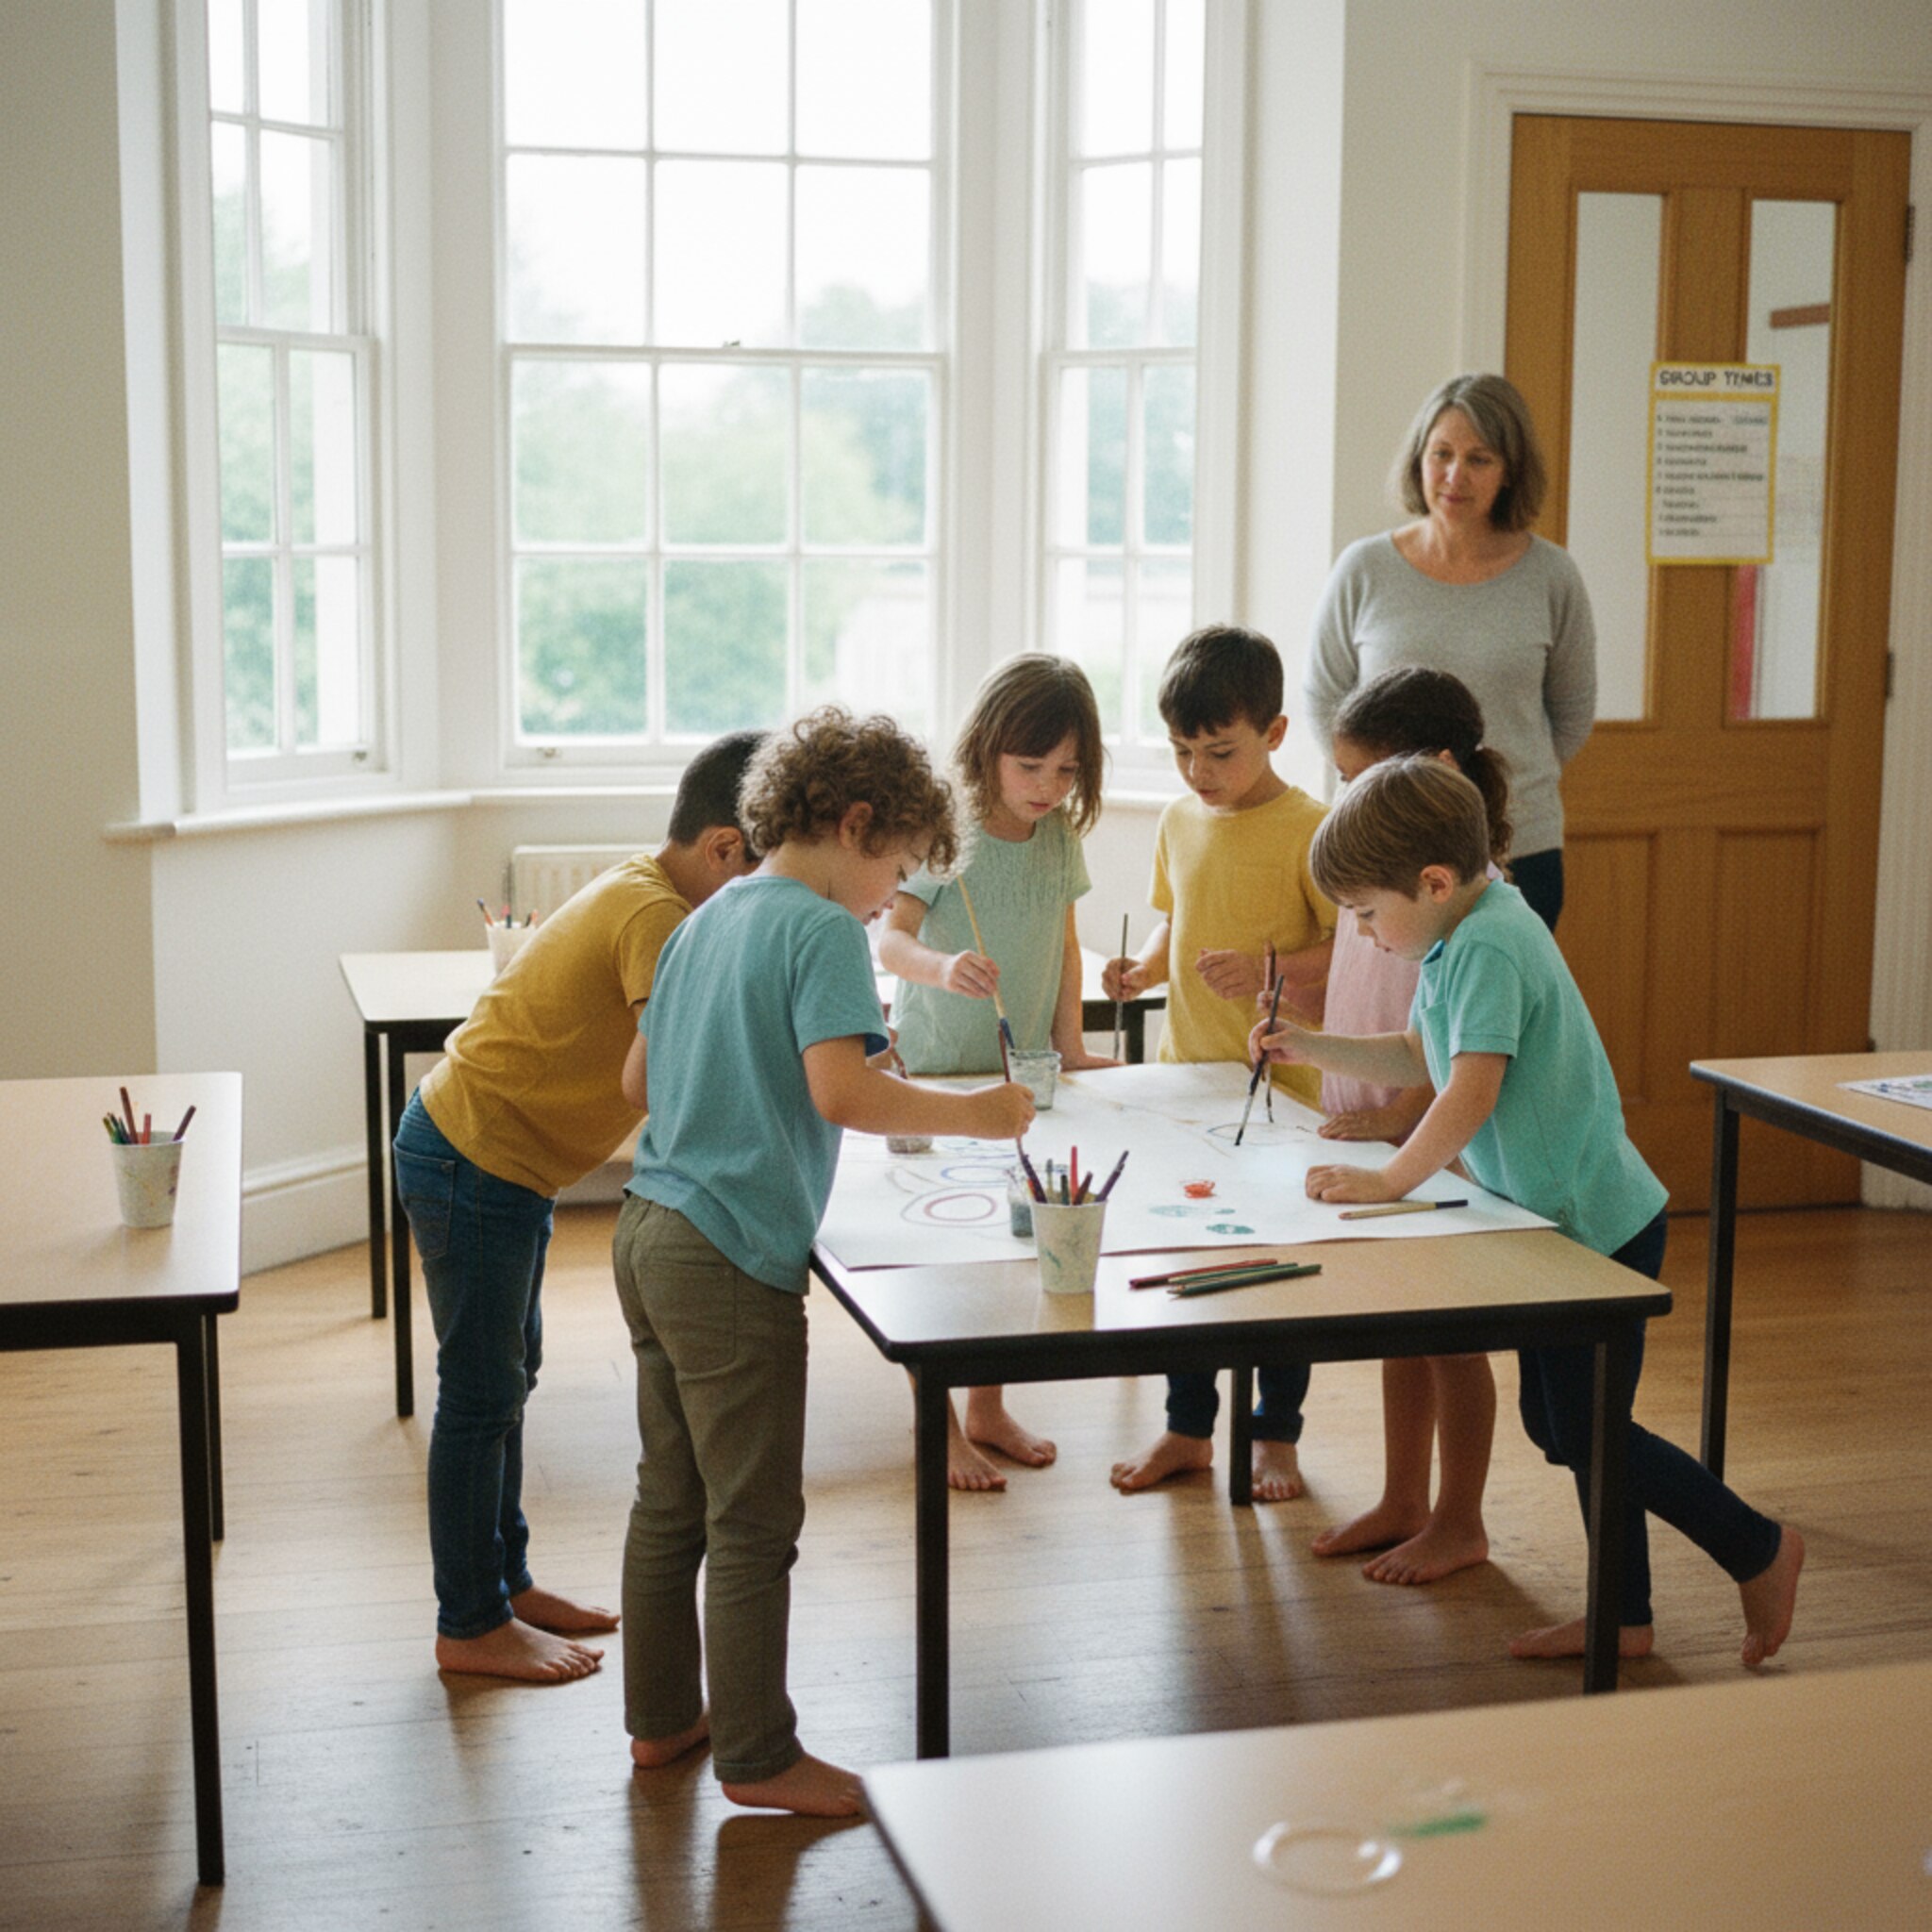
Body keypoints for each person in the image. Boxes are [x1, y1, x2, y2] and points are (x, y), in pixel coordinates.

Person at [1252, 757, 1804, 1667]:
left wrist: (1394, 1181)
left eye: (1363, 913)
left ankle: (1757, 1547)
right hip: (1555, 1227)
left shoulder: (1491, 943)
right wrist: (1305, 1043)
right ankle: (1625, 1616)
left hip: (1596, 1228)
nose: (1361, 932)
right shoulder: (1456, 935)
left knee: (1583, 1427)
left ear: (1432, 883)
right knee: (1576, 1427)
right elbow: (1420, 1052)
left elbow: (1471, 1086)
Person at [613, 708, 1034, 1818]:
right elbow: (841, 1095)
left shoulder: (709, 916)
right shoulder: (819, 931)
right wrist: (980, 1114)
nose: (884, 890)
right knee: (751, 1519)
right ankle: (756, 1754)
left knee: (670, 1498)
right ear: (855, 826)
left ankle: (662, 1721)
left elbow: (637, 1083)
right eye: (891, 864)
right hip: (728, 1255)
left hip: (647, 1227)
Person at [392, 730, 765, 1683]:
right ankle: (467, 1619)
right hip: (475, 1155)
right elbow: (666, 1065)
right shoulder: (653, 916)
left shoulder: (648, 886)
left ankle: (504, 1581)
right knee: (480, 1393)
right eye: (766, 880)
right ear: (725, 846)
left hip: (497, 1160)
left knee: (507, 1376)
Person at [1101, 625, 1336, 1500]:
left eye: (1219, 752)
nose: (1199, 771)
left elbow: (1349, 952)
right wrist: (1145, 969)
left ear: (1275, 734)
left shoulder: (1314, 827)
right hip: (1181, 1078)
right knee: (1185, 1259)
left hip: (1278, 1091)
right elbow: (1179, 916)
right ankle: (1188, 1428)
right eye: (1182, 751)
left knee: (1277, 1264)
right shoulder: (1176, 819)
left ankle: (1277, 1435)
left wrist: (1272, 972)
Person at [878, 654, 1113, 1491]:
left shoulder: (1059, 838)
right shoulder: (951, 836)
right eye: (1030, 767)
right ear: (985, 751)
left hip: (1025, 1077)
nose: (1049, 786)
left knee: (1014, 1240)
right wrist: (942, 971)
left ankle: (986, 1406)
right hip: (942, 1075)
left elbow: (1067, 945)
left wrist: (1073, 1045)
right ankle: (936, 1425)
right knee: (944, 1254)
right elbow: (889, 939)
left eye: (1068, 770)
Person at [1307, 667, 1511, 1586]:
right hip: (1389, 1132)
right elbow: (1393, 1018)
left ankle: (1458, 1517)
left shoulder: (1468, 898)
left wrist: (1399, 1123)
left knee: (1449, 1336)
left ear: (1431, 769)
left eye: (1363, 776)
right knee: (1403, 1323)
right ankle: (1402, 1497)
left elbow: (1462, 1047)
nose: (1348, 795)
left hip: (1434, 1144)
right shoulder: (1382, 866)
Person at [1303, 372, 1595, 932]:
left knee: (1494, 1017)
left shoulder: (1553, 576)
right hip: (1382, 851)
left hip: (1516, 848)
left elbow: (1570, 719)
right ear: (1419, 460)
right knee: (1386, 1020)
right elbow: (1324, 702)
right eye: (1441, 454)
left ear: (1510, 471)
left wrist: (1492, 784)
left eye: (1479, 459)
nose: (1455, 476)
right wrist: (1378, 796)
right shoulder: (1364, 569)